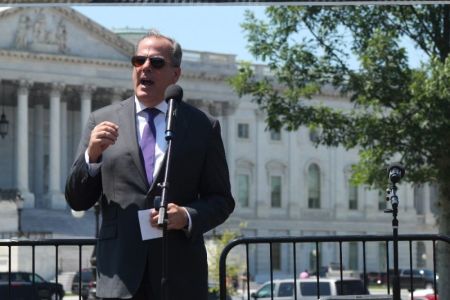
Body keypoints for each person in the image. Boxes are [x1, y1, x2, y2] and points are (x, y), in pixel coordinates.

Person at [65, 29, 235, 300]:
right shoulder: (101, 120)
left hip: (179, 274)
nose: (145, 67)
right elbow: (77, 200)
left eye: (156, 62)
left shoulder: (202, 126)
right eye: (138, 61)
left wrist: (188, 216)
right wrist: (92, 155)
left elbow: (222, 200)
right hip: (119, 275)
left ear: (175, 74)